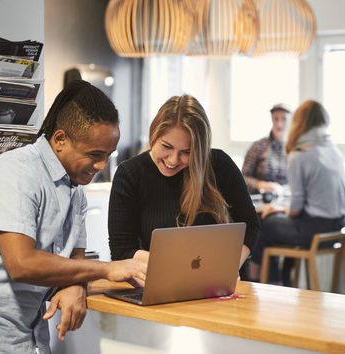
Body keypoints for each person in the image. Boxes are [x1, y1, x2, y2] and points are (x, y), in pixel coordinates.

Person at [0, 80, 147, 354]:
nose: (101, 165)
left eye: (108, 155)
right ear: (60, 140)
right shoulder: (15, 172)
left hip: (19, 342)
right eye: (94, 154)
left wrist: (76, 285)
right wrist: (109, 268)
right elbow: (22, 264)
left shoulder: (76, 191)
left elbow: (75, 259)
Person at [108, 94, 259, 271]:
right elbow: (122, 250)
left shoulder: (219, 165)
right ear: (154, 135)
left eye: (187, 152)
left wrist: (229, 268)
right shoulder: (130, 174)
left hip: (220, 285)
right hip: (159, 281)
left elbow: (250, 227)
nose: (173, 160)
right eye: (166, 146)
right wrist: (183, 264)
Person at [250, 100, 345, 286]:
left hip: (316, 229)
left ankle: (266, 283)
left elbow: (296, 208)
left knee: (261, 225)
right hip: (339, 227)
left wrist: (280, 210)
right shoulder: (332, 150)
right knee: (277, 226)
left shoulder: (300, 154)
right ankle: (284, 282)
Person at [242, 103, 290, 195]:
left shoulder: (295, 148)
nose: (279, 124)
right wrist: (260, 184)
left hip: (287, 200)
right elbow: (243, 177)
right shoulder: (258, 146)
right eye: (276, 119)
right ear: (272, 119)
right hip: (261, 199)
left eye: (284, 119)